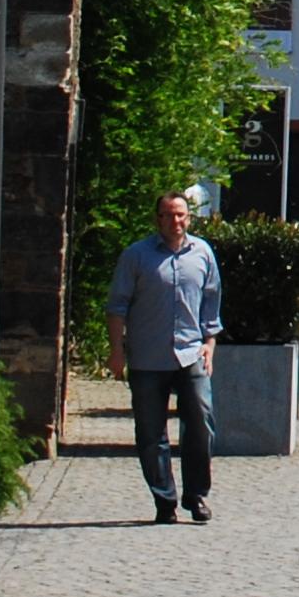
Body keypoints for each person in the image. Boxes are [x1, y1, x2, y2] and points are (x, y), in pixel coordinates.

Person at [106, 193, 223, 523]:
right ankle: (164, 501)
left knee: (201, 424)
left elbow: (211, 305)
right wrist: (117, 351)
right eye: (169, 215)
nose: (176, 222)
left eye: (181, 215)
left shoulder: (202, 254)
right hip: (147, 357)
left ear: (189, 217)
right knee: (150, 432)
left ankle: (196, 495)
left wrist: (209, 345)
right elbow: (117, 307)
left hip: (190, 354)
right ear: (158, 219)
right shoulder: (137, 256)